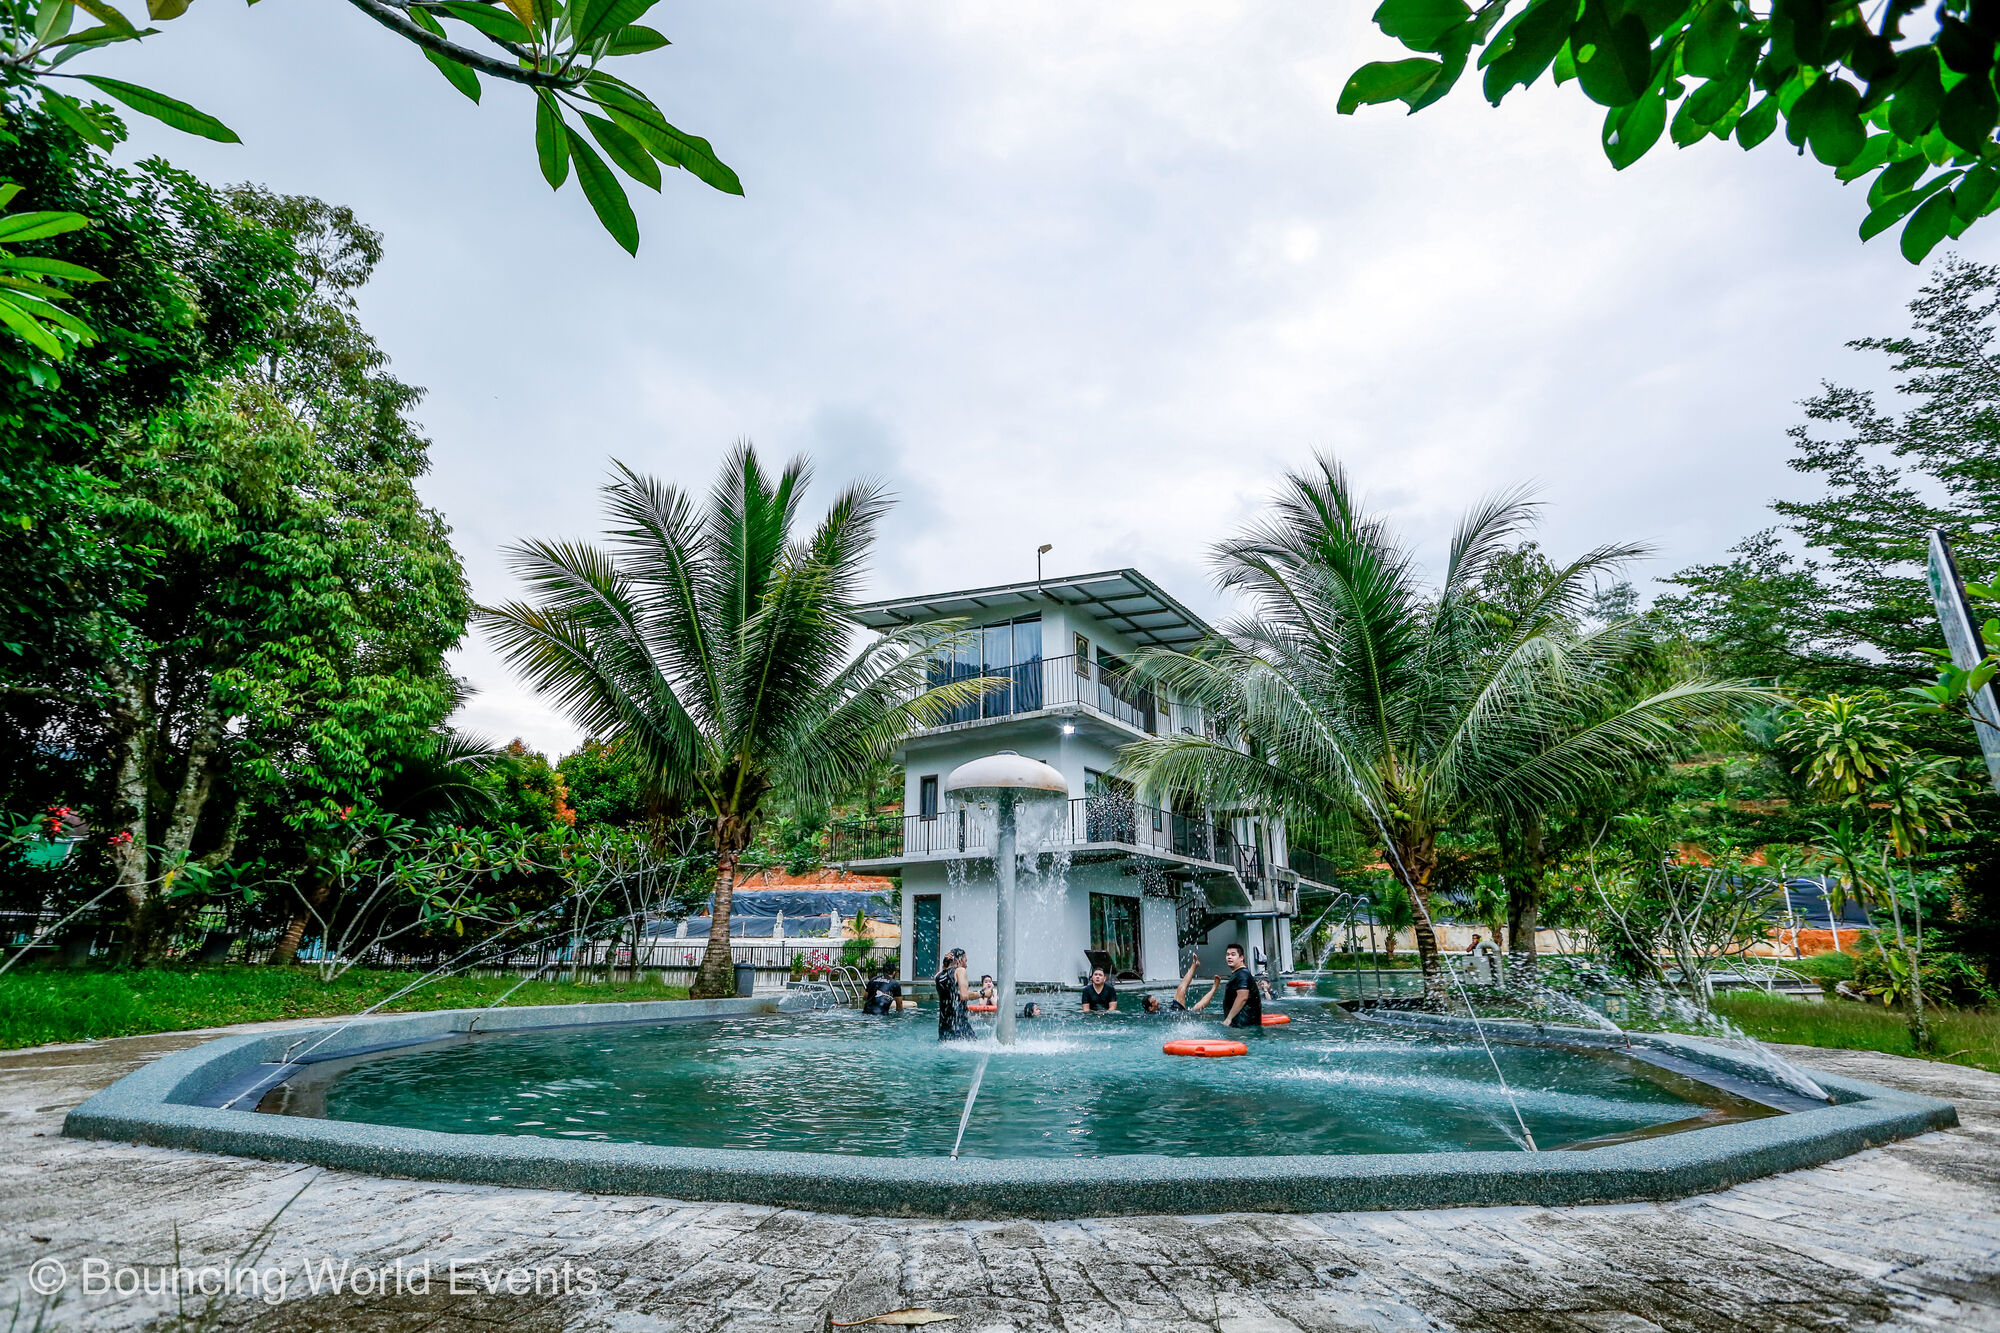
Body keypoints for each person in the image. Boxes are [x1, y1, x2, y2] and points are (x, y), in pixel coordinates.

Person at [1142, 956, 1220, 1014]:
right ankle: (1214, 987)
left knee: (1180, 989)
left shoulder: (1156, 1009)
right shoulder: (1152, 1017)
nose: (1158, 1002)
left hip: (1173, 1010)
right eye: (1155, 1002)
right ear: (1150, 1008)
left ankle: (1195, 964)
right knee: (1196, 1008)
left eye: (1156, 1000)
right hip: (1177, 1015)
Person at [935, 948, 975, 1041]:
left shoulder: (938, 976)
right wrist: (982, 993)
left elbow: (945, 972)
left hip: (943, 1027)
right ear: (959, 960)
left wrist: (945, 964)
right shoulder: (960, 970)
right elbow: (964, 996)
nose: (966, 963)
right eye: (965, 960)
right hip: (959, 1025)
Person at [1221, 943, 1263, 1029]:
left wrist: (1229, 1019)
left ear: (1241, 958)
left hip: (1244, 1025)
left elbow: (1242, 997)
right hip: (1242, 1024)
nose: (1229, 957)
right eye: (1227, 954)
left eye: (1233, 954)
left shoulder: (1242, 974)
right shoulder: (1239, 973)